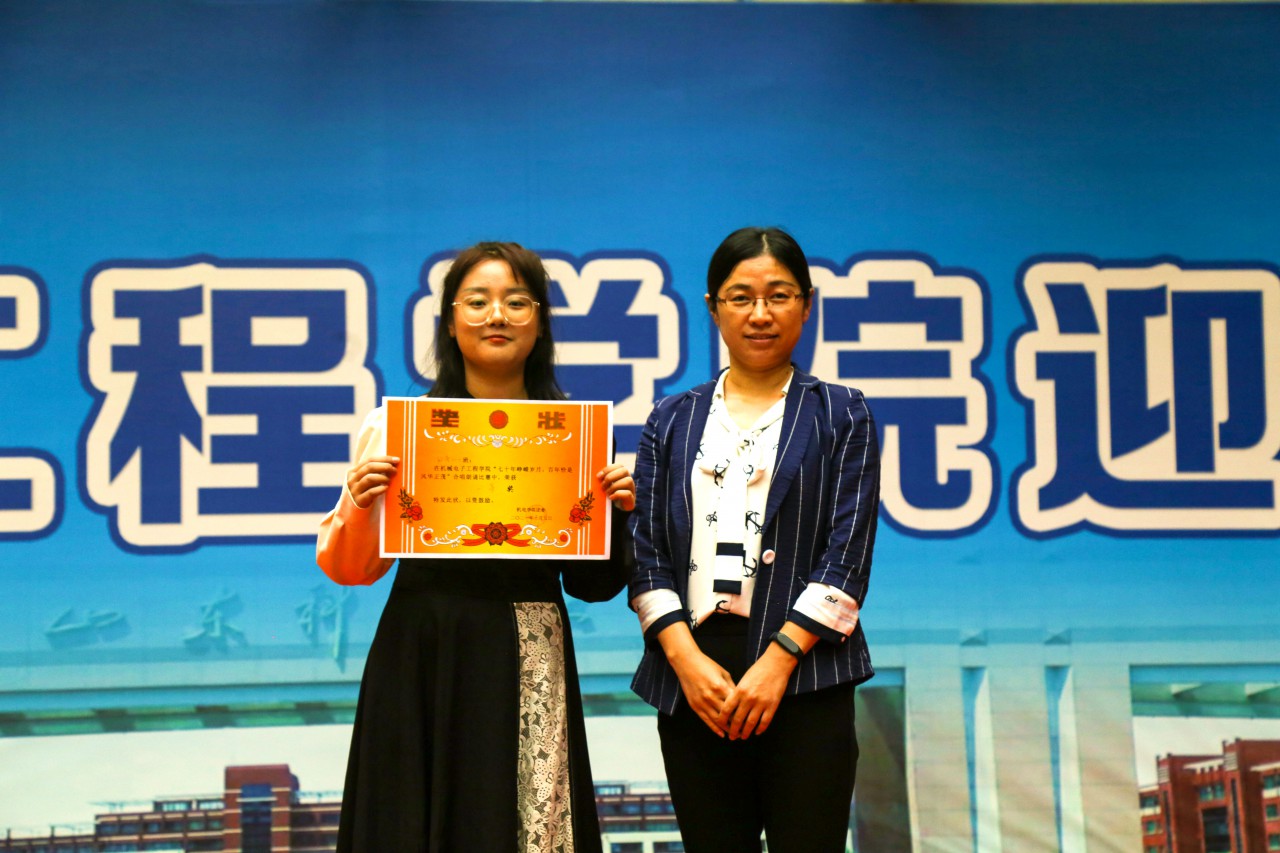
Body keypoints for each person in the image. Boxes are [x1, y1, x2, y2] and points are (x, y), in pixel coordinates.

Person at [317, 241, 635, 853]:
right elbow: (351, 569)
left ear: (539, 322)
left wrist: (620, 513)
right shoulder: (400, 428)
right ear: (450, 320)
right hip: (422, 648)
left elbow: (592, 586)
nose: (497, 316)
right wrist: (358, 500)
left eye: (517, 302)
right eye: (478, 301)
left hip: (530, 644)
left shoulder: (575, 433)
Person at [628, 227, 880, 852]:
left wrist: (778, 661)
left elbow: (847, 555)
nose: (760, 314)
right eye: (740, 297)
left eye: (779, 295)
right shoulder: (671, 417)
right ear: (713, 308)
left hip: (807, 671)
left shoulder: (842, 413)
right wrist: (685, 660)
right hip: (695, 680)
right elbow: (646, 552)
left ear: (806, 304)